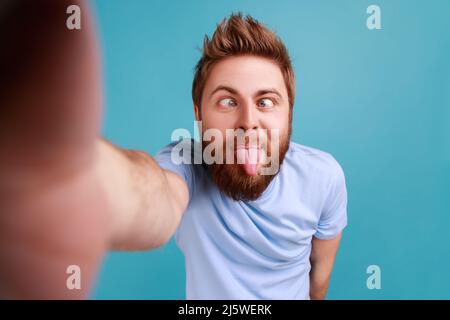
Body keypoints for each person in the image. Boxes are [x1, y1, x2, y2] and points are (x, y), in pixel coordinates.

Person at [0, 1, 347, 299]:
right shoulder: (186, 164)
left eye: (266, 102)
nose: (248, 122)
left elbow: (319, 278)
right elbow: (155, 195)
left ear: (290, 112)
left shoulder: (324, 177)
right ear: (199, 115)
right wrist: (77, 179)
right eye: (227, 101)